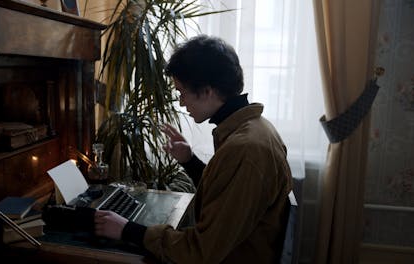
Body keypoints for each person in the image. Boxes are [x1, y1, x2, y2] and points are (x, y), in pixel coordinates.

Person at [94, 35, 293, 263]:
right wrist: (189, 161)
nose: (181, 102)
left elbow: (200, 252)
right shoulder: (255, 128)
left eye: (182, 92)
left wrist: (128, 230)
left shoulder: (246, 150)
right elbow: (227, 194)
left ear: (207, 91)